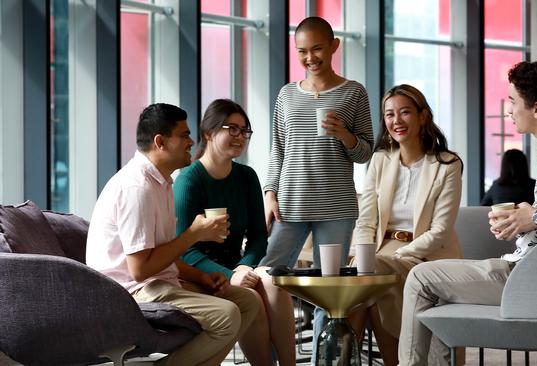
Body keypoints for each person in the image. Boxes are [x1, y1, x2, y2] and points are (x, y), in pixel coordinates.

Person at [398, 61, 537, 366]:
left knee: (420, 278)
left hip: (530, 278)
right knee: (432, 284)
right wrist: (522, 217)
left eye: (513, 102)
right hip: (535, 271)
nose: (509, 111)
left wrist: (535, 216)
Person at [86, 103, 260, 366]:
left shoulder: (162, 182)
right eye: (184, 135)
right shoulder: (138, 188)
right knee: (227, 315)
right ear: (160, 142)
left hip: (157, 282)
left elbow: (159, 255)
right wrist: (193, 234)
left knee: (247, 300)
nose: (192, 141)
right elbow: (140, 269)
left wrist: (200, 276)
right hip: (129, 293)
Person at [258, 16, 374, 362]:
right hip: (289, 205)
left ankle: (322, 361)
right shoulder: (286, 94)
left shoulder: (354, 93)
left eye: (317, 48)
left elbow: (365, 150)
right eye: (302, 51)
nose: (310, 57)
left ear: (334, 45)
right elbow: (277, 148)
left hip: (336, 207)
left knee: (330, 291)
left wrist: (344, 135)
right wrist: (269, 192)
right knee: (269, 277)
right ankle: (275, 357)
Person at [173, 99, 296, 366]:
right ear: (208, 132)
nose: (240, 137)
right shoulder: (188, 180)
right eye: (233, 129)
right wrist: (230, 276)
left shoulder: (246, 176)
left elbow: (258, 237)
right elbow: (184, 250)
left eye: (245, 131)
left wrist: (243, 266)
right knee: (252, 298)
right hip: (200, 272)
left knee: (275, 282)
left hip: (237, 264)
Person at [347, 84, 463, 366]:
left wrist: (394, 257)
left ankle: (345, 359)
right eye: (389, 114)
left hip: (424, 254)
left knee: (368, 282)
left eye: (405, 112)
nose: (396, 121)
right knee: (363, 281)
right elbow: (366, 220)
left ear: (423, 116)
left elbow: (440, 230)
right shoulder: (380, 160)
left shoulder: (447, 164)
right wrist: (362, 255)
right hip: (380, 250)